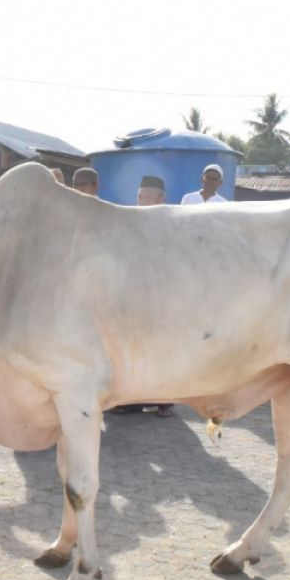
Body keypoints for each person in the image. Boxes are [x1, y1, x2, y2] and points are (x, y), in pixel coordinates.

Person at [112, 176, 174, 417]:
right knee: (134, 351)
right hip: (133, 298)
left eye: (147, 198)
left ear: (161, 199)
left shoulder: (170, 225)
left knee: (161, 351)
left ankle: (164, 401)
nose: (141, 202)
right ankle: (133, 400)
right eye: (139, 197)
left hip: (161, 298)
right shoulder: (128, 223)